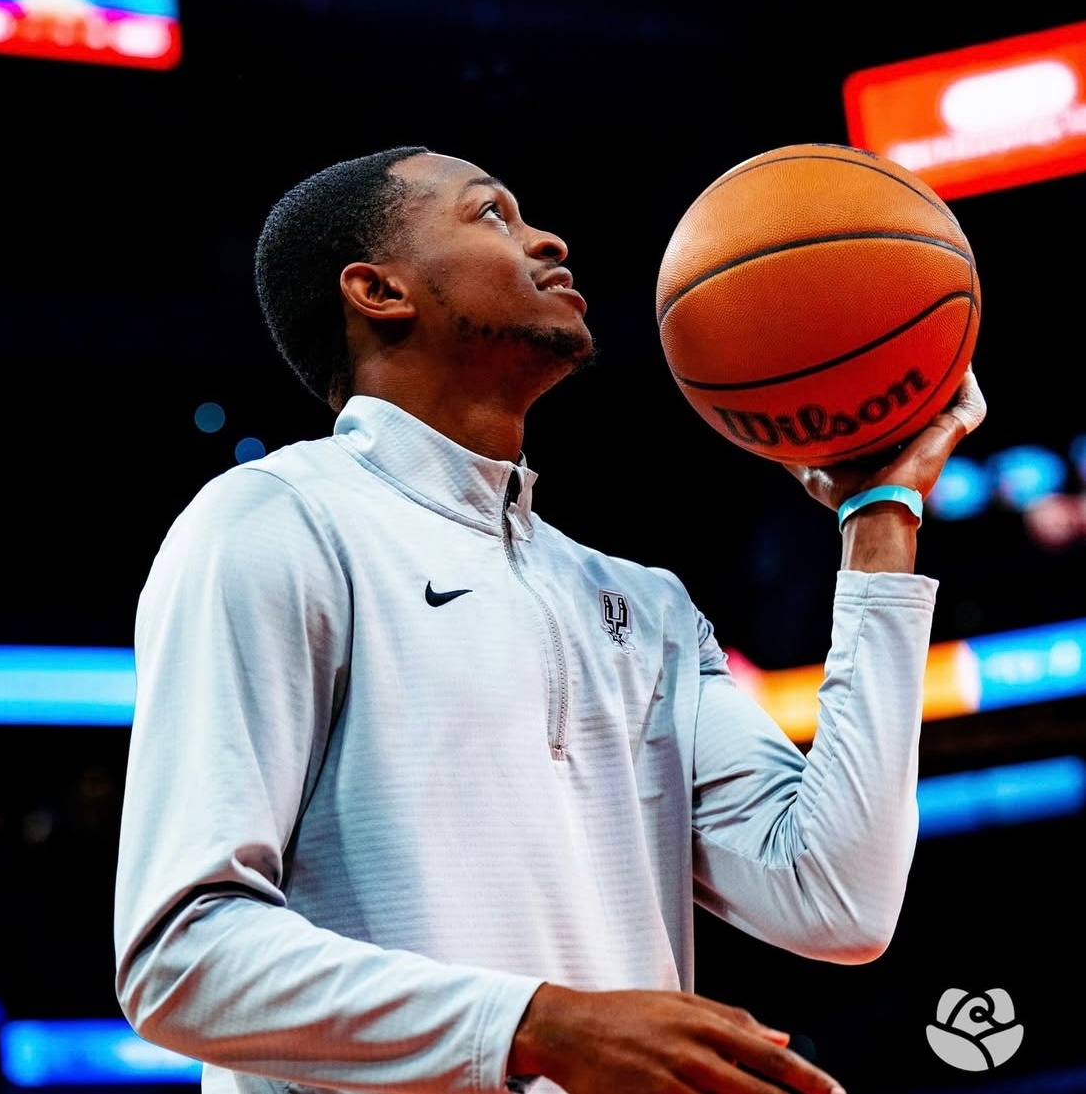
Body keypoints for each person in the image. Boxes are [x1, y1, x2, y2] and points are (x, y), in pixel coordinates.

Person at [113, 144, 986, 1094]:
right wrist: (535, 1024)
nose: (549, 239)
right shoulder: (275, 522)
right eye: (491, 213)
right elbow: (180, 957)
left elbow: (838, 897)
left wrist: (879, 519)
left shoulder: (646, 605)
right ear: (379, 290)